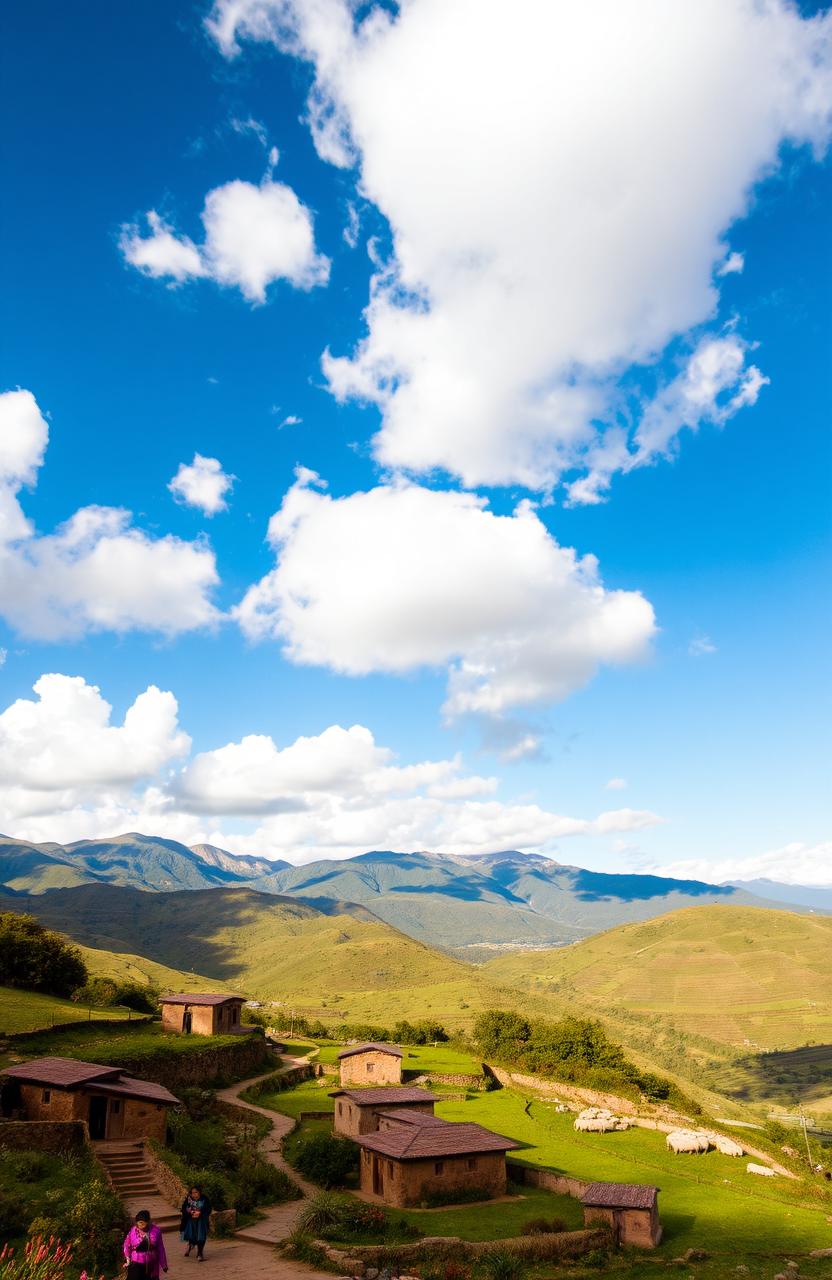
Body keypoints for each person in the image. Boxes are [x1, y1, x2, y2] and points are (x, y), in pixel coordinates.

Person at [123, 1210, 168, 1279]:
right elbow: (126, 1244)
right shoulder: (133, 1231)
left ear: (148, 1221)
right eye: (139, 1223)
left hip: (151, 1263)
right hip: (136, 1263)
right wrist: (128, 1260)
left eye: (143, 1223)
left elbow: (160, 1248)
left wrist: (163, 1264)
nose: (141, 1225)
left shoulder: (156, 1231)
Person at [180, 1184, 212, 1261]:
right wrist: (190, 1212)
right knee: (192, 1236)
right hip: (191, 1222)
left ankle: (199, 1254)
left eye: (196, 1192)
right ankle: (190, 1245)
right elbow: (183, 1209)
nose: (194, 1194)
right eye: (192, 1192)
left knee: (201, 1236)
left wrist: (200, 1213)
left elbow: (208, 1209)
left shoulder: (204, 1199)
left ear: (200, 1192)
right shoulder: (188, 1199)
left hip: (201, 1221)